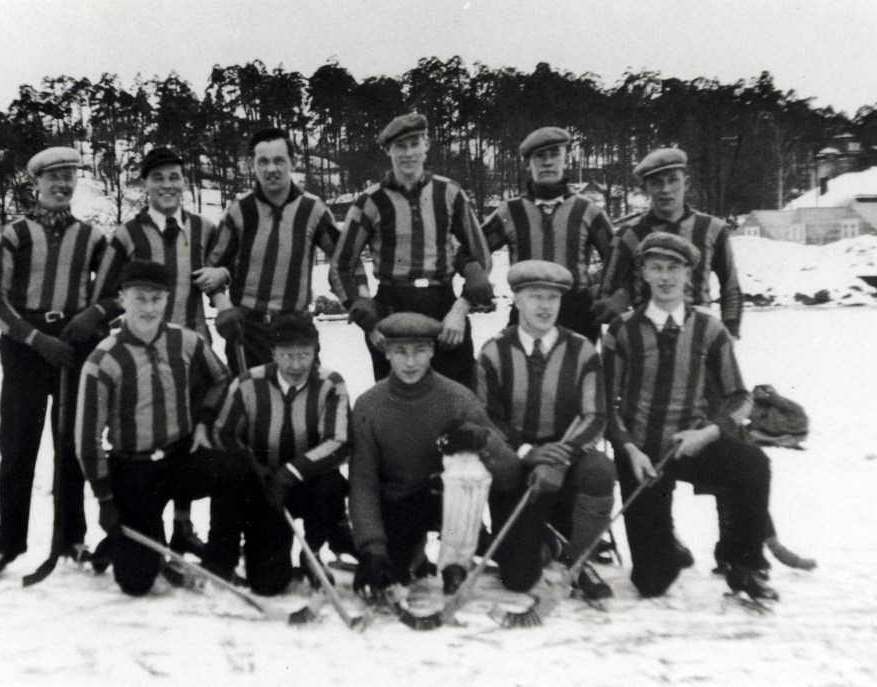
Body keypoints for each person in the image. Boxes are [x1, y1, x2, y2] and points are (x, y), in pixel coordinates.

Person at [204, 128, 360, 573]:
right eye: (262, 161)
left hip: (296, 329)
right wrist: (224, 307)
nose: (271, 169)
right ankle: (250, 526)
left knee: (308, 421)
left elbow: (341, 260)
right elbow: (213, 270)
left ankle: (329, 523)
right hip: (248, 328)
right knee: (253, 423)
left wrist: (357, 304)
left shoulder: (312, 209)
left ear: (293, 164)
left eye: (279, 160)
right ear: (251, 166)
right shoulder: (239, 210)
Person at [601, 232, 777, 601]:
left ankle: (743, 563)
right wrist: (630, 450)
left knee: (753, 463)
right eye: (656, 267)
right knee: (652, 582)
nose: (666, 277)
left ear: (689, 276)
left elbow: (740, 397)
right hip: (642, 457)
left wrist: (709, 433)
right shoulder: (621, 331)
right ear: (644, 273)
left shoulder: (710, 329)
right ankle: (665, 548)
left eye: (674, 268)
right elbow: (606, 405)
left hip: (691, 446)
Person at [75, 261, 242, 597]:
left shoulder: (187, 341)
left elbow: (222, 380)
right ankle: (124, 539)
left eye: (156, 299)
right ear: (122, 300)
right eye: (140, 298)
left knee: (237, 469)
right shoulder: (102, 359)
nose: (149, 308)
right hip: (133, 469)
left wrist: (205, 422)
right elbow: (86, 439)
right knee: (136, 583)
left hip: (180, 457)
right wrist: (105, 498)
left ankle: (219, 560)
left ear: (168, 299)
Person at [88, 147, 225, 556]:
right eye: (158, 178)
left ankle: (183, 527)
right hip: (145, 354)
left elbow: (220, 278)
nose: (167, 185)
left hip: (194, 350)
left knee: (188, 439)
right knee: (152, 439)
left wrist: (225, 277)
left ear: (185, 182)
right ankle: (138, 530)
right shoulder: (127, 234)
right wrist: (129, 310)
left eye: (174, 177)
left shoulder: (205, 229)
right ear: (144, 184)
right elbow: (105, 296)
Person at [0, 147, 106, 575]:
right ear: (36, 183)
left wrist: (90, 321)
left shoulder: (92, 238)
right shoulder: (13, 234)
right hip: (25, 349)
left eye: (69, 176)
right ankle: (8, 544)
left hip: (73, 345)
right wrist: (35, 339)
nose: (62, 184)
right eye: (53, 177)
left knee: (70, 446)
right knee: (18, 448)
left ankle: (72, 539)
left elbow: (114, 291)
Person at [348, 313, 523, 600]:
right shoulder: (369, 405)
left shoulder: (458, 398)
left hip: (450, 503)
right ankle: (412, 555)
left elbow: (510, 473)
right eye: (400, 352)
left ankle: (456, 561)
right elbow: (362, 481)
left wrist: (484, 441)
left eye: (419, 351)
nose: (411, 362)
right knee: (387, 579)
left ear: (432, 351)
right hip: (399, 503)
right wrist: (372, 548)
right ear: (386, 352)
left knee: (462, 476)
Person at [476, 260, 615, 598]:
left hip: (565, 460)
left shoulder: (582, 349)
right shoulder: (493, 351)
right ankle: (549, 542)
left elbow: (594, 415)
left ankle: (575, 561)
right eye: (535, 296)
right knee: (519, 577)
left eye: (553, 298)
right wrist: (527, 452)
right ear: (517, 300)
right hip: (514, 463)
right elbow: (486, 417)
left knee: (601, 469)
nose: (545, 306)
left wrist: (559, 458)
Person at [330, 113, 494, 390]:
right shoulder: (370, 201)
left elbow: (481, 256)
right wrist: (367, 315)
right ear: (388, 151)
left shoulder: (449, 193)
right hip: (393, 304)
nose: (408, 153)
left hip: (442, 303)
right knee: (397, 397)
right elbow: (341, 265)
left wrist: (461, 308)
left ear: (426, 145)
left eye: (414, 144)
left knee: (459, 394)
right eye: (400, 146)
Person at [209, 312, 354, 594]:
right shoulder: (248, 383)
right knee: (268, 584)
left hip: (306, 485)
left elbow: (339, 441)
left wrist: (291, 473)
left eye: (305, 354)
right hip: (264, 490)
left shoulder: (330, 384)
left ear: (316, 351)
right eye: (287, 355)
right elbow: (223, 434)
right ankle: (235, 556)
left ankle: (311, 553)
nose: (297, 364)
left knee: (332, 485)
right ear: (273, 352)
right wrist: (251, 465)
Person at [479, 127, 614, 342]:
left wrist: (605, 293)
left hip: (576, 314)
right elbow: (476, 248)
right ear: (527, 163)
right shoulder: (511, 211)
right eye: (540, 156)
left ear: (566, 160)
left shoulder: (587, 210)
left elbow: (616, 257)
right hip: (526, 311)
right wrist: (476, 276)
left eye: (554, 155)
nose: (548, 162)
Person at [596, 147, 743, 339]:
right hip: (647, 335)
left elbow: (730, 287)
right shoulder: (629, 235)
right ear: (645, 188)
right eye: (656, 183)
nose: (665, 190)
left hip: (698, 335)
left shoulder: (712, 229)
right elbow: (606, 297)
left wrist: (730, 335)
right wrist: (625, 307)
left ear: (686, 183)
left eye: (673, 180)